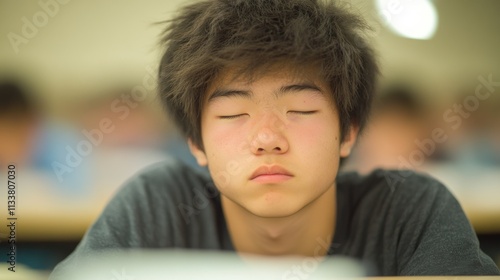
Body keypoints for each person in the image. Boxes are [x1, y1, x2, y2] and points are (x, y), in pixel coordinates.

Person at [50, 0, 499, 277]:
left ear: (349, 133)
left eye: (301, 110)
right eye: (232, 113)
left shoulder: (410, 212)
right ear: (195, 142)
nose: (267, 138)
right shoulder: (156, 207)